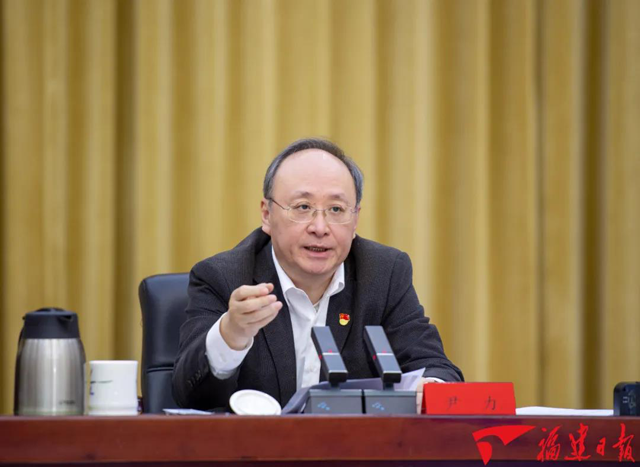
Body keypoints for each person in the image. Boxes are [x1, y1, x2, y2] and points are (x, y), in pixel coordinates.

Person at [172, 138, 463, 410]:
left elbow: (435, 366)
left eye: (336, 209)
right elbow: (189, 396)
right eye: (303, 207)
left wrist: (430, 388)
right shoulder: (224, 277)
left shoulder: (383, 274)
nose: (320, 228)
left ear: (355, 219)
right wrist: (231, 335)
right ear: (267, 214)